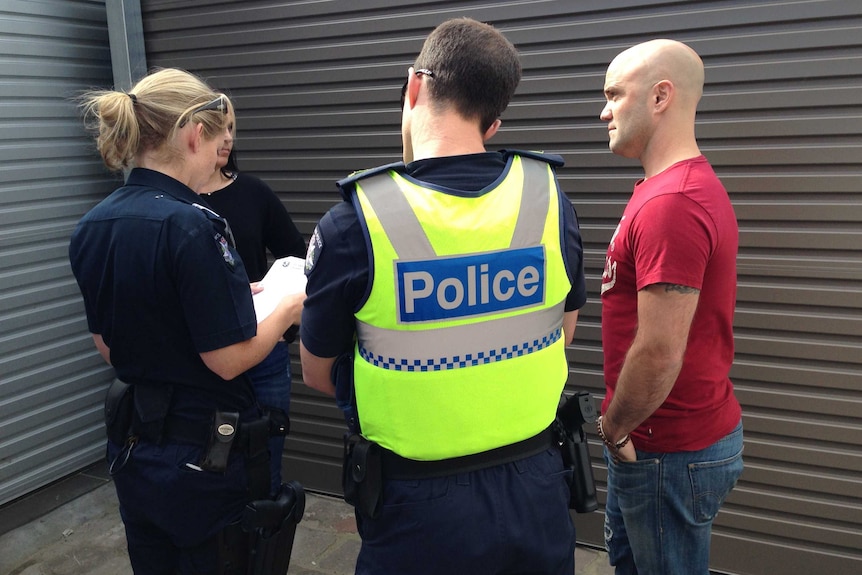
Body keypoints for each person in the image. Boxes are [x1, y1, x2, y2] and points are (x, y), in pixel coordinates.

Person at [300, 17, 587, 575]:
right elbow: (563, 330)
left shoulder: (354, 222)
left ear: (414, 86)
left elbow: (317, 372)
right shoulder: (549, 201)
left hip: (418, 504)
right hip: (536, 485)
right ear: (494, 122)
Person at [69, 68, 304, 574]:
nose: (224, 153)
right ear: (195, 134)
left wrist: (223, 298)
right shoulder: (194, 224)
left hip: (134, 447)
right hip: (204, 459)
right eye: (220, 140)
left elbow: (109, 344)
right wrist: (288, 303)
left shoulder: (93, 226)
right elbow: (227, 360)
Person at [597, 39, 744, 574]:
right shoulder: (668, 190)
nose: (604, 111)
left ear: (661, 96)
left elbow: (659, 351)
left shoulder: (672, 203)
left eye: (615, 94)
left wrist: (613, 429)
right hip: (664, 443)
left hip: (664, 451)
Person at [200, 119, 306, 494]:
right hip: (201, 359)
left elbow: (298, 255)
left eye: (231, 126)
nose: (227, 137)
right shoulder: (175, 204)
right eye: (216, 126)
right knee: (209, 470)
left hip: (264, 355)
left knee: (265, 469)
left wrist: (284, 318)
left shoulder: (252, 192)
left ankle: (263, 549)